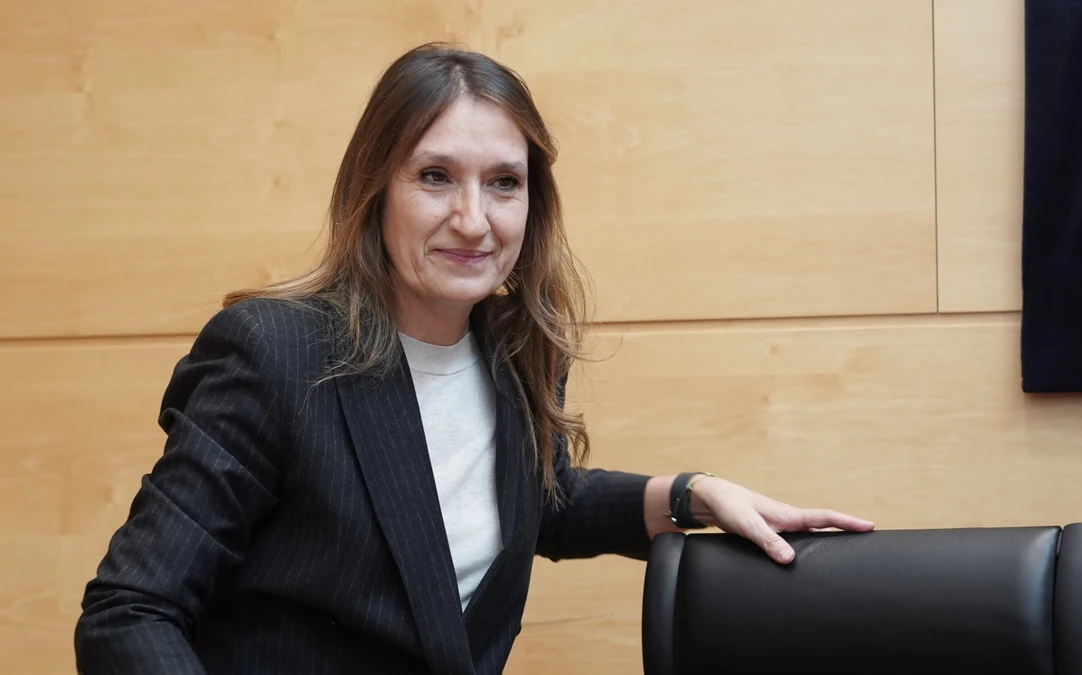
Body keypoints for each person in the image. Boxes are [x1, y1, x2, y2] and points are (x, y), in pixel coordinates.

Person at [74, 42, 875, 675]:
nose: (472, 218)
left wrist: (695, 493)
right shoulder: (274, 351)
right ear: (375, 191)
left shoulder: (516, 353)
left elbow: (532, 503)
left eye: (502, 183)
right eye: (435, 177)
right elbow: (128, 611)